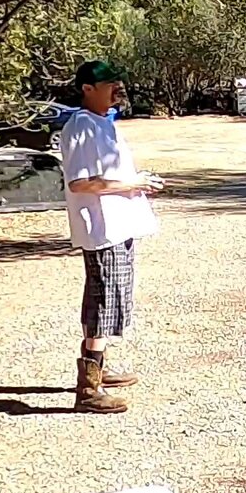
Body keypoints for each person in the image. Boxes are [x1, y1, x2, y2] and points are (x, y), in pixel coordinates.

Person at [59, 59, 164, 413]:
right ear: (87, 89)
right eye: (108, 85)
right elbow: (80, 182)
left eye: (117, 83)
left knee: (115, 298)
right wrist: (134, 183)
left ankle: (100, 369)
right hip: (102, 229)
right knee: (103, 302)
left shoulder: (105, 122)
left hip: (120, 225)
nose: (116, 89)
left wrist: (138, 183)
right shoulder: (81, 125)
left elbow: (110, 174)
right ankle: (88, 390)